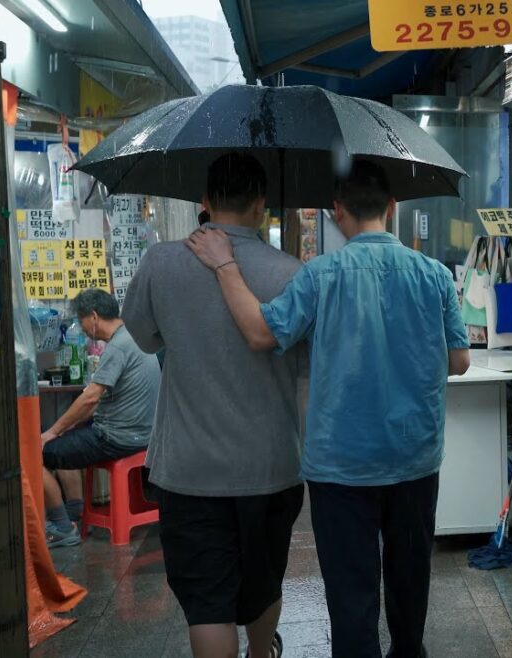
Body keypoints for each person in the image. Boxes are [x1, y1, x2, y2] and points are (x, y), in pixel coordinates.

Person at [186, 160, 471, 658]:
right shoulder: (434, 276)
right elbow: (460, 361)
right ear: (392, 207)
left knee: (350, 596)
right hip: (414, 459)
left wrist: (226, 265)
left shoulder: (320, 276)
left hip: (341, 467)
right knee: (410, 588)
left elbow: (260, 332)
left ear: (336, 212)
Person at [122, 152, 307, 658]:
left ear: (204, 203)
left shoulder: (161, 262)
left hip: (188, 470)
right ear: (261, 205)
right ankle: (261, 651)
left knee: (208, 601)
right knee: (263, 580)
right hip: (270, 465)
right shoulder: (291, 273)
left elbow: (142, 337)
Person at [41, 288, 160, 548]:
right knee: (63, 441)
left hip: (119, 438)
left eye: (81, 320)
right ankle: (75, 515)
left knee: (36, 453)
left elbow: (91, 397)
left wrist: (51, 432)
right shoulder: (134, 337)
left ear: (93, 317)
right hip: (143, 434)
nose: (81, 328)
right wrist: (62, 428)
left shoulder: (118, 346)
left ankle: (62, 527)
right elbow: (95, 402)